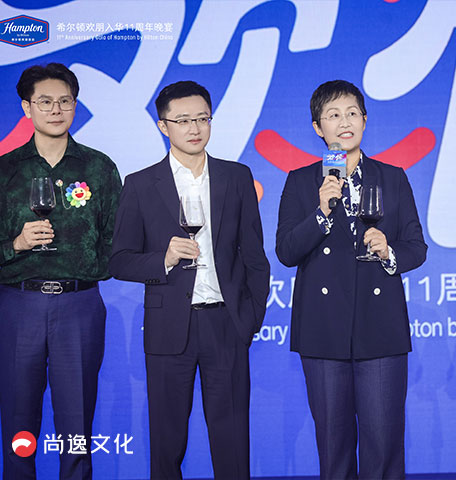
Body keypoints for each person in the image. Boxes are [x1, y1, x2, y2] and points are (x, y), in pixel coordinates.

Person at [109, 80, 270, 480]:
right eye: (182, 120)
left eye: (202, 118)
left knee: (232, 442)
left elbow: (255, 257)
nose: (194, 128)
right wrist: (163, 259)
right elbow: (120, 261)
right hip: (168, 326)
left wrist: (248, 320)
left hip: (226, 323)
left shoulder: (236, 177)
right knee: (166, 443)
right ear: (163, 126)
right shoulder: (141, 184)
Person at [0, 63, 122, 480]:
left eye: (64, 101)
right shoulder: (2, 170)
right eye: (45, 102)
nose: (56, 110)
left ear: (75, 105)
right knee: (18, 420)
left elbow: (117, 240)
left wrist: (84, 268)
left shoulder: (98, 168)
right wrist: (17, 244)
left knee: (76, 421)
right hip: (19, 305)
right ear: (27, 107)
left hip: (79, 304)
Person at [275, 80, 427, 479]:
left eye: (352, 113)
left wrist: (389, 251)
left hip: (381, 328)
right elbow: (286, 251)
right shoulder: (300, 181)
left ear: (365, 120)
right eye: (333, 115)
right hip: (323, 330)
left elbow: (417, 248)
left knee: (383, 444)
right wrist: (321, 213)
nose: (345, 122)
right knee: (333, 445)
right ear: (317, 127)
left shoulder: (392, 177)